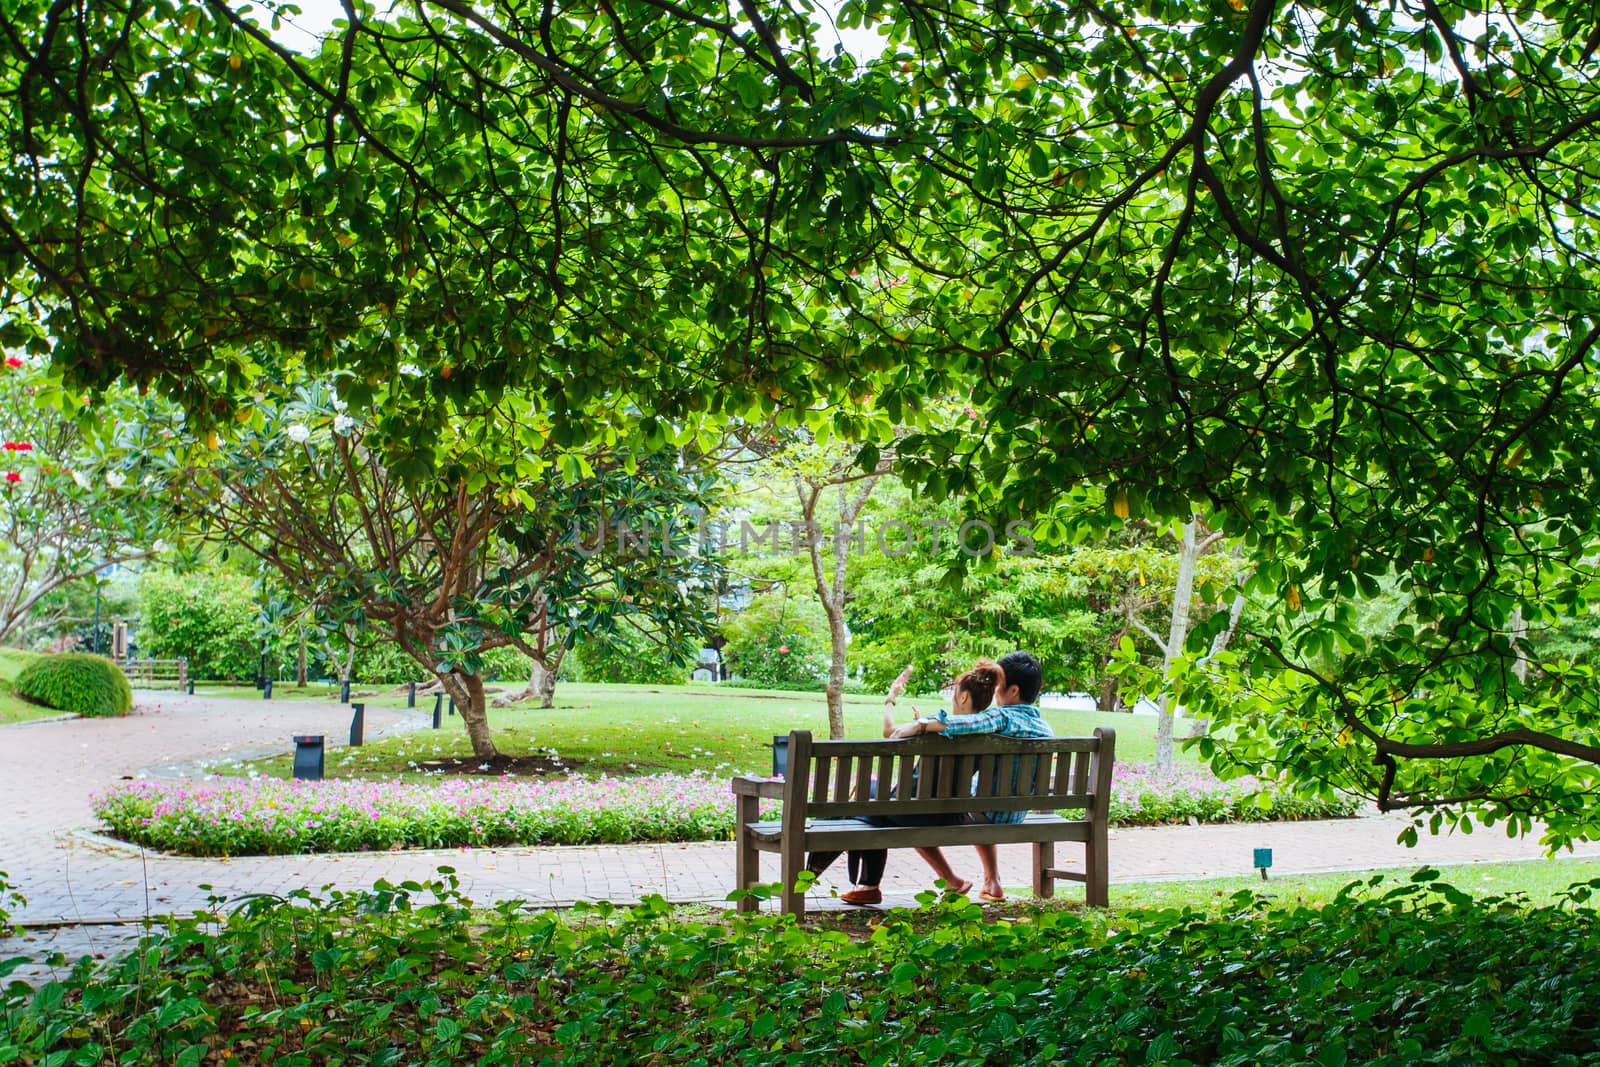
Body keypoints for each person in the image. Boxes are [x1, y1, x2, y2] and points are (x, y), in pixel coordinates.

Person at [801, 660, 1006, 904]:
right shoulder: (987, 731)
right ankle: (867, 886)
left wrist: (891, 698)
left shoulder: (935, 724)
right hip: (952, 815)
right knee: (870, 800)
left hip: (912, 812)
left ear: (962, 698)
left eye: (954, 694)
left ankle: (831, 881)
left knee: (858, 804)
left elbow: (891, 733)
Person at [890, 649, 1052, 902]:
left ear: (1014, 691)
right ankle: (993, 882)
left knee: (914, 815)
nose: (994, 691)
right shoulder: (1045, 727)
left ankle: (951, 880)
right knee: (983, 803)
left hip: (986, 814)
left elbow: (963, 723)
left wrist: (919, 724)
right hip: (1017, 814)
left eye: (999, 686)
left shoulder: (1001, 717)